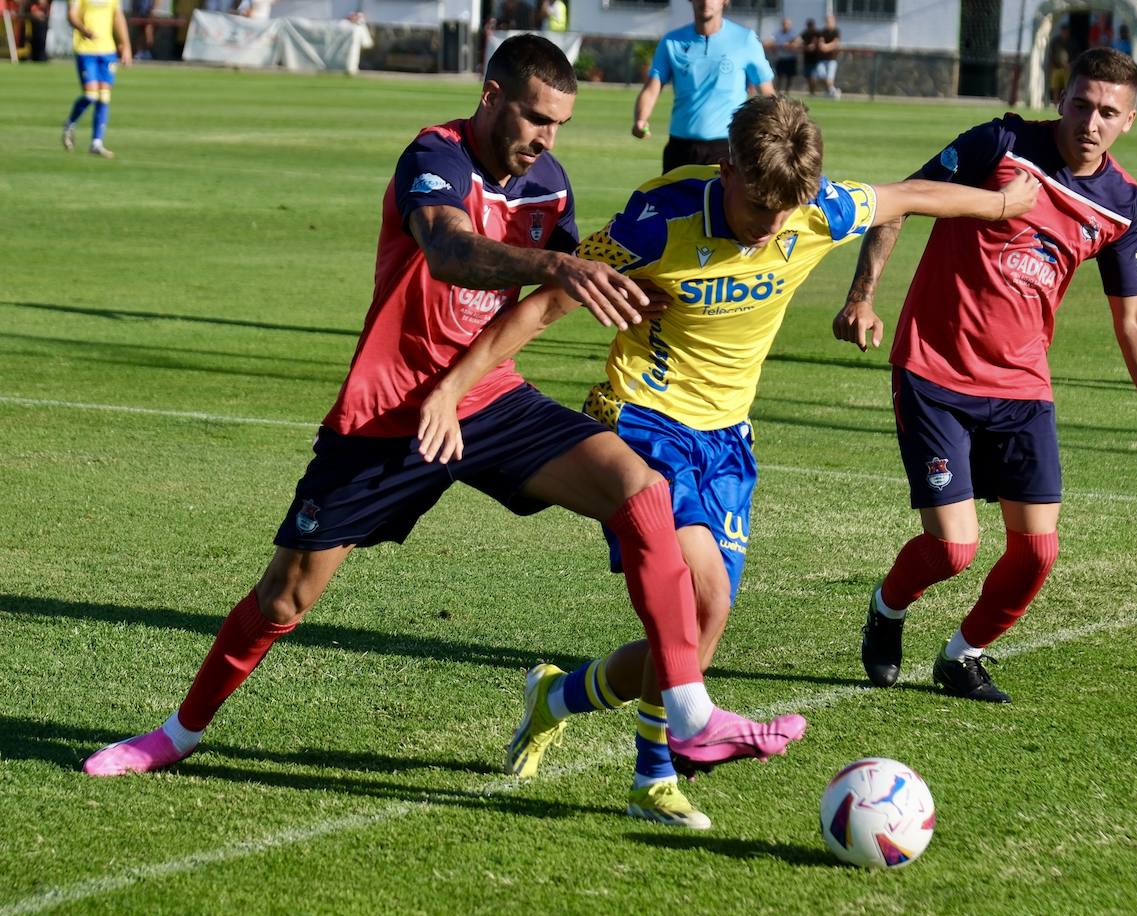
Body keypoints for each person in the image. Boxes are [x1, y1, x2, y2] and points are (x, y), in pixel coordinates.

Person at [81, 34, 804, 780]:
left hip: (489, 400)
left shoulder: (550, 182)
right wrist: (558, 263)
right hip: (392, 411)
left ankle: (686, 711)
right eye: (532, 117)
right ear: (491, 96)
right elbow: (449, 252)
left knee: (642, 491)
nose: (544, 137)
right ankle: (176, 733)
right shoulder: (435, 158)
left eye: (558, 123)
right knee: (284, 597)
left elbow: (554, 295)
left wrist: (627, 291)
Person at [415, 97, 1039, 828]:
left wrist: (999, 205)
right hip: (643, 418)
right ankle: (653, 775)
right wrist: (454, 387)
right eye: (758, 204)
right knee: (694, 593)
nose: (771, 225)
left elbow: (909, 195)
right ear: (727, 167)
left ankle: (556, 697)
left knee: (696, 625)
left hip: (727, 441)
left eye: (786, 210)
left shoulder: (815, 210)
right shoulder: (660, 217)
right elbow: (552, 301)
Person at [834, 48, 1137, 704]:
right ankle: (888, 609)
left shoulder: (1121, 205)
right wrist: (862, 295)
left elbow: (1136, 321)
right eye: (1082, 104)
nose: (1092, 121)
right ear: (1061, 98)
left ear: (1131, 120)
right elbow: (899, 202)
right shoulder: (999, 144)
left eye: (1109, 112)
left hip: (1021, 388)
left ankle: (963, 655)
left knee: (1037, 553)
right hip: (934, 370)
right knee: (953, 551)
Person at [632, 0, 773, 174]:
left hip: (727, 148)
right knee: (676, 201)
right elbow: (652, 88)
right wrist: (640, 120)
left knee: (718, 202)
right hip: (680, 148)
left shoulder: (745, 40)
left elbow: (768, 95)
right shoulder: (672, 41)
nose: (706, 1)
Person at [62, 0, 131, 159]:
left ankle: (96, 143)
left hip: (107, 50)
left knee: (104, 97)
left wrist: (126, 45)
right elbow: (71, 15)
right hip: (86, 48)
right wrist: (83, 30)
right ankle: (69, 124)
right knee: (91, 95)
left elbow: (118, 16)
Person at [768, 16, 801, 94]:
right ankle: (778, 91)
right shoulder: (778, 33)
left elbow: (798, 42)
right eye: (785, 24)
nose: (786, 26)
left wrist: (789, 45)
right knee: (780, 76)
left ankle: (787, 91)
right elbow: (771, 42)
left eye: (788, 24)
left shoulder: (793, 33)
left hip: (791, 58)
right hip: (781, 58)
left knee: (790, 76)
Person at [814, 13, 841, 99]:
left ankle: (832, 92)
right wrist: (824, 46)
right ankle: (833, 91)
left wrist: (826, 47)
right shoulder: (823, 32)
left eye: (830, 21)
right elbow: (821, 43)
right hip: (822, 59)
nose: (829, 23)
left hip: (832, 59)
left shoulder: (836, 31)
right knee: (821, 75)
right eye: (827, 21)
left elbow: (835, 43)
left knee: (829, 78)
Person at [1047, 23, 1071, 104]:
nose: (1064, 33)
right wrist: (1052, 65)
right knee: (1055, 87)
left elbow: (1076, 55)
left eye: (1065, 31)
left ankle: (1066, 103)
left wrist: (1070, 65)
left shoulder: (1072, 42)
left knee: (1067, 88)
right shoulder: (1055, 41)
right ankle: (1055, 103)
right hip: (1056, 68)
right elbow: (1051, 54)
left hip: (1067, 69)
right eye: (1063, 31)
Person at [800, 18, 819, 95]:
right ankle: (811, 91)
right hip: (807, 58)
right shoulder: (805, 33)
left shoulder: (817, 33)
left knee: (813, 75)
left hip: (815, 58)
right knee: (808, 75)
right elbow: (800, 41)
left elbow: (816, 43)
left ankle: (813, 91)